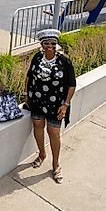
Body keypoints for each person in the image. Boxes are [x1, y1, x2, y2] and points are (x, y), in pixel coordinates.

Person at [24, 29, 76, 184]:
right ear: (41, 44)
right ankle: (42, 154)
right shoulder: (37, 57)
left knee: (54, 133)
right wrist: (26, 95)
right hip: (37, 102)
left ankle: (56, 164)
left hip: (56, 105)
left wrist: (66, 105)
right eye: (46, 43)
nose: (50, 46)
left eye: (53, 43)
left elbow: (72, 85)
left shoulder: (64, 61)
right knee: (37, 126)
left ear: (56, 44)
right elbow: (28, 76)